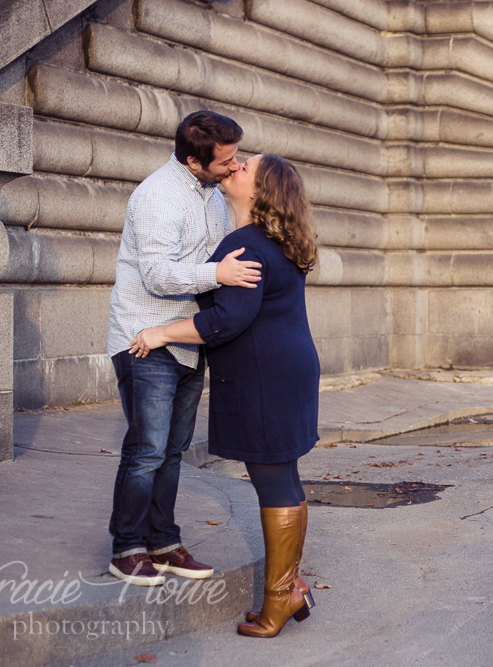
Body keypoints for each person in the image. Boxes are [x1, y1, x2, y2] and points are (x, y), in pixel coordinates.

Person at [130, 153, 320, 638]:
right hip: (287, 369)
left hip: (266, 377)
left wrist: (160, 332)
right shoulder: (274, 241)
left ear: (259, 192)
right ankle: (290, 586)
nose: (234, 169)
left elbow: (223, 321)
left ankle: (278, 601)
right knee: (285, 480)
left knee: (275, 485)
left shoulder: (244, 244)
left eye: (244, 168)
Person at [105, 111, 262, 587]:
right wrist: (217, 275)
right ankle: (126, 548)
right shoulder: (157, 196)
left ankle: (164, 542)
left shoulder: (212, 195)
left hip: (190, 338)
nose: (235, 167)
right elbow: (157, 274)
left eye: (238, 158)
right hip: (144, 338)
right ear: (195, 161)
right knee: (147, 450)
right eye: (227, 161)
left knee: (172, 451)